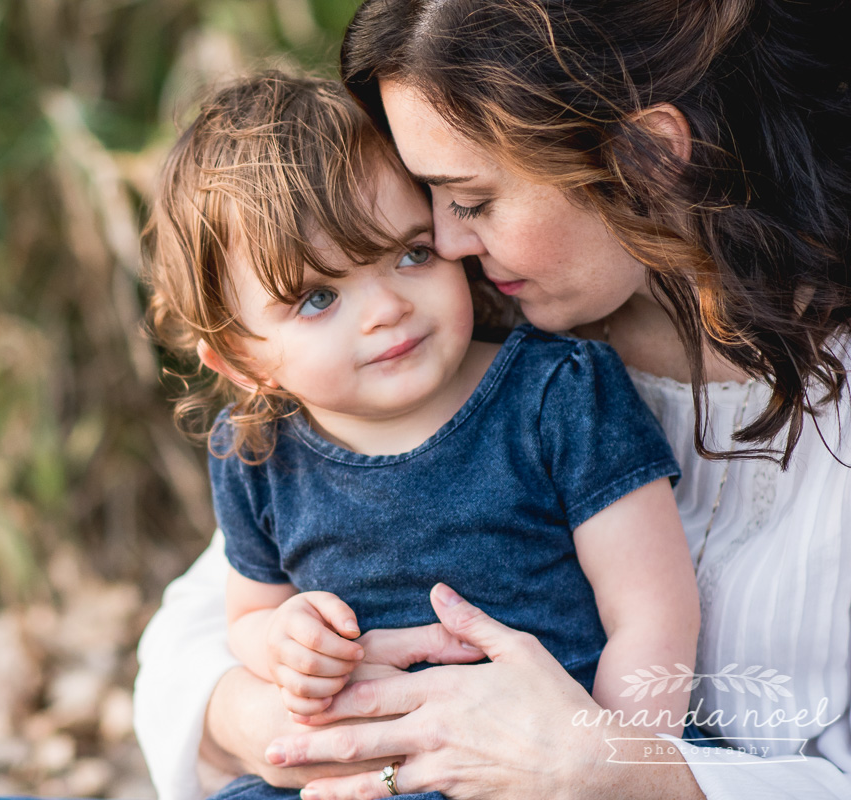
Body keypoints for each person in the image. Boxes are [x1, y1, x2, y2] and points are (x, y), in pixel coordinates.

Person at [133, 1, 851, 799]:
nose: (443, 243)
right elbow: (203, 634)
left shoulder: (551, 387)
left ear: (647, 158)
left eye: (470, 200)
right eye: (426, 195)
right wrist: (288, 715)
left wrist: (612, 769)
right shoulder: (404, 367)